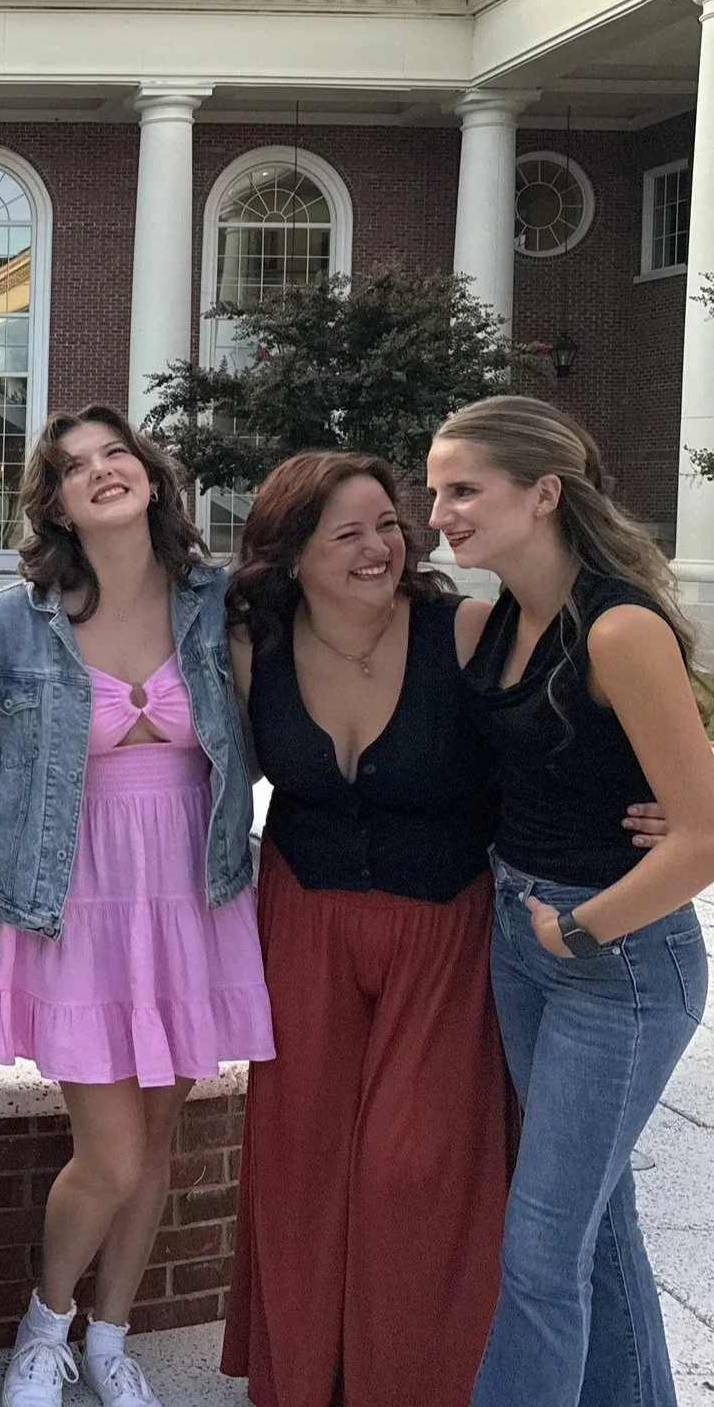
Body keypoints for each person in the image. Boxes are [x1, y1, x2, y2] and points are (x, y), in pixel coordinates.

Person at [0, 403, 272, 1407]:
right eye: (74, 465)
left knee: (158, 1141)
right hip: (78, 900)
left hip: (192, 897)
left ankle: (110, 1335)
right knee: (111, 1150)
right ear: (56, 504)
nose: (100, 470)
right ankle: (44, 1322)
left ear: (150, 474)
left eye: (113, 452)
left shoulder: (218, 607)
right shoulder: (9, 623)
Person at [428, 396, 714, 1407]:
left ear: (542, 492)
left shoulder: (619, 625)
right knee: (597, 1225)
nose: (440, 513)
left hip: (616, 959)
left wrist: (580, 925)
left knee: (540, 1250)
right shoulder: (500, 615)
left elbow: (702, 836)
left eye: (462, 489)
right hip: (524, 933)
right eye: (434, 491)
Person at [216, 450, 510, 1407]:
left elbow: (557, 740)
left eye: (388, 522)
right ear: (292, 552)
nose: (382, 545)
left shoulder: (462, 630)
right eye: (349, 532)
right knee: (300, 1156)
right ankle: (306, 1381)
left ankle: (413, 1385)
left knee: (413, 1167)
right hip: (301, 919)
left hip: (443, 930)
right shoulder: (253, 646)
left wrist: (648, 811)